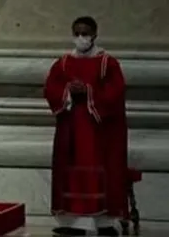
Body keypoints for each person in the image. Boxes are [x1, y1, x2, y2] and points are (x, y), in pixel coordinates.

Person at [44, 16, 128, 237]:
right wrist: (67, 90)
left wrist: (89, 91)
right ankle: (73, 221)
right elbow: (51, 87)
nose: (81, 38)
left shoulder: (107, 63)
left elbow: (116, 91)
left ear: (94, 35)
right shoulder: (63, 62)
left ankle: (103, 221)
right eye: (77, 33)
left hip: (97, 130)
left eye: (85, 33)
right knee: (70, 169)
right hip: (70, 127)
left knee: (98, 169)